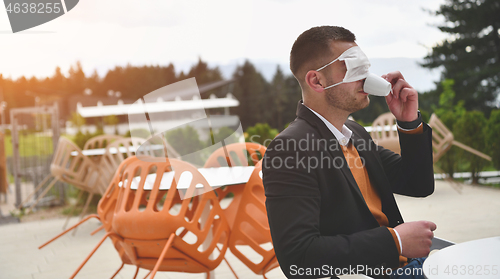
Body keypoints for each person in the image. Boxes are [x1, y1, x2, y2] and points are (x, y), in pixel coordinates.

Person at [262, 26, 436, 279]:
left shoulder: (355, 133)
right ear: (316, 81)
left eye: (365, 67)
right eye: (353, 67)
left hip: (408, 264)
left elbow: (418, 184)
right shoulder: (290, 149)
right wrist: (395, 241)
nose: (365, 77)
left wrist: (408, 123)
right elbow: (298, 258)